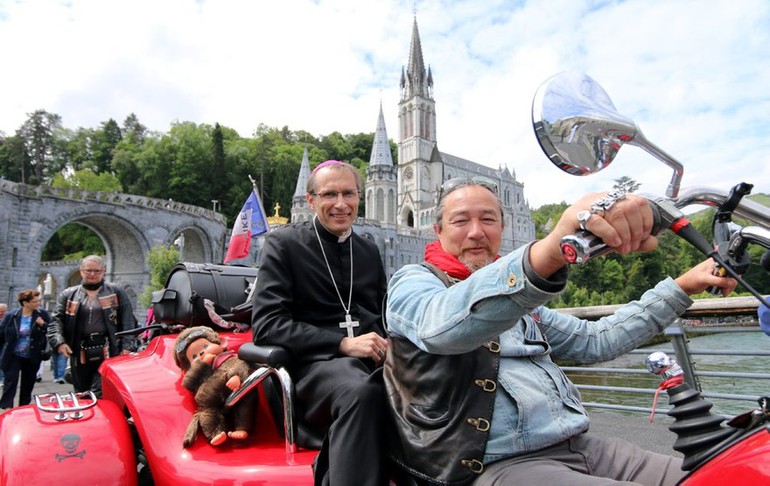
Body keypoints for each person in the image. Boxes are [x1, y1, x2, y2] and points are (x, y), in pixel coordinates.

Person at [383, 178, 738, 486]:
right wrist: (551, 251)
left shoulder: (524, 306)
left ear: (502, 229)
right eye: (461, 220)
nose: (476, 231)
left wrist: (682, 286)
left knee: (724, 476)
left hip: (581, 447)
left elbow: (595, 340)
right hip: (497, 467)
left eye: (488, 219)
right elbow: (441, 328)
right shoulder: (414, 282)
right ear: (438, 230)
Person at [252, 160, 389, 486]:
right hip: (312, 369)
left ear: (360, 198)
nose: (341, 204)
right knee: (362, 391)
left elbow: (382, 317)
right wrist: (341, 343)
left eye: (349, 194)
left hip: (370, 362)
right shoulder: (283, 245)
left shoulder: (368, 250)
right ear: (311, 200)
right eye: (330, 194)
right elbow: (268, 325)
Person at [47, 255, 137, 397]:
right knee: (81, 392)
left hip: (110, 349)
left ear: (104, 271)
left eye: (97, 271)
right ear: (81, 271)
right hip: (79, 350)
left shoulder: (116, 292)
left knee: (104, 391)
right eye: (88, 270)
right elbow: (56, 321)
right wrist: (59, 342)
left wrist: (127, 347)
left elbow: (128, 321)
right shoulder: (68, 294)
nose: (92, 274)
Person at [0, 289, 51, 411]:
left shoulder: (42, 315)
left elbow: (51, 331)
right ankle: (7, 408)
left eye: (38, 301)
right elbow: (1, 335)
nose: (38, 303)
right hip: (13, 355)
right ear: (25, 303)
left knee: (28, 384)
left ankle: (23, 408)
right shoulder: (11, 316)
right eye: (34, 302)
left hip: (32, 355)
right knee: (10, 381)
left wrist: (43, 325)